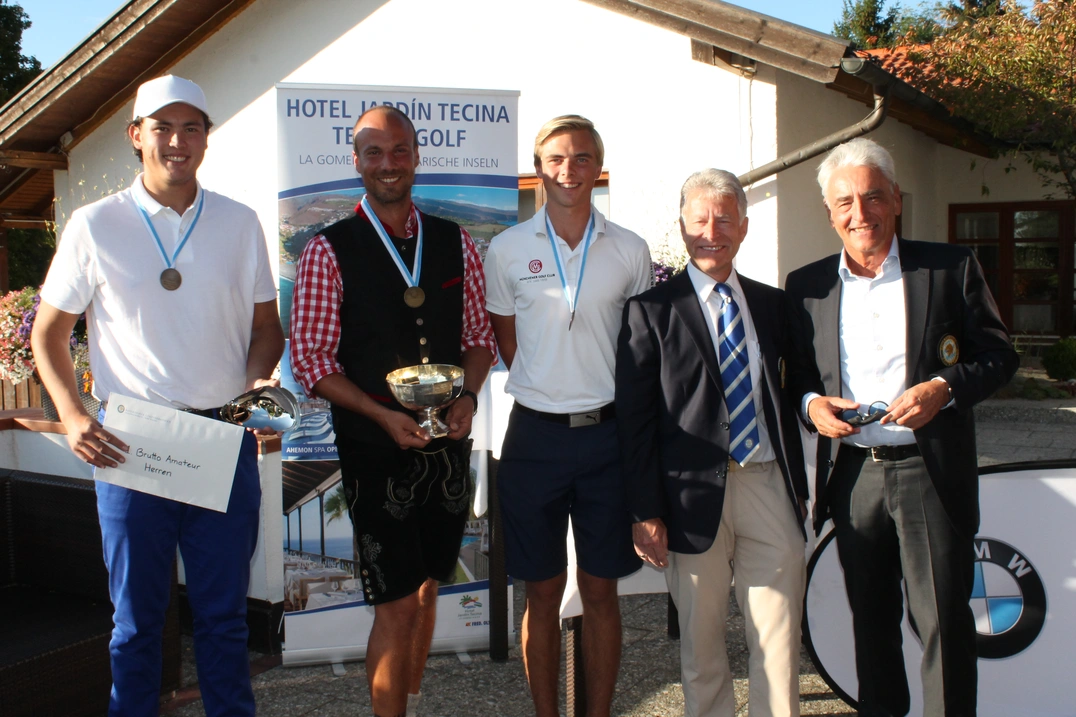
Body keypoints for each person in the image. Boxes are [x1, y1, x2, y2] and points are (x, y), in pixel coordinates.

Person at [30, 75, 284, 717]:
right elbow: (48, 334)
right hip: (131, 444)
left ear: (206, 137)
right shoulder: (95, 225)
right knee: (137, 623)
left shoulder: (239, 221)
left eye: (191, 127)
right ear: (135, 136)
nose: (178, 140)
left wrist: (256, 384)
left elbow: (266, 329)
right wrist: (71, 412)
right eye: (162, 127)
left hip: (220, 442)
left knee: (223, 621)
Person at [785, 137, 1018, 717]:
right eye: (845, 203)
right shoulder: (807, 286)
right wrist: (813, 404)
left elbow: (999, 356)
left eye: (872, 198)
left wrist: (945, 388)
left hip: (928, 474)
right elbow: (795, 378)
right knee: (871, 625)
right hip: (853, 475)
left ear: (896, 201)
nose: (859, 214)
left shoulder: (949, 269)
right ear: (829, 212)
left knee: (943, 623)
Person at [289, 104, 495, 717]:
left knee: (431, 585)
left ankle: (411, 698)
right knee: (396, 602)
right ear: (356, 161)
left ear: (415, 156)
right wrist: (380, 415)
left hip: (448, 446)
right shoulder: (328, 250)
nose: (388, 163)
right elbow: (312, 361)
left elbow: (480, 338)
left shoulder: (457, 241)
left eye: (399, 150)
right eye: (374, 152)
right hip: (376, 447)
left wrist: (468, 395)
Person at [616, 169, 809, 717]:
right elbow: (635, 422)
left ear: (744, 228)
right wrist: (644, 509)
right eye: (699, 218)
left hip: (767, 484)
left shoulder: (774, 306)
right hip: (688, 497)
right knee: (701, 650)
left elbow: (798, 388)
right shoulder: (650, 312)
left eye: (724, 218)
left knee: (777, 641)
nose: (711, 230)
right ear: (681, 227)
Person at [483, 114, 651, 717]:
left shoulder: (630, 249)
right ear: (538, 169)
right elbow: (507, 344)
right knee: (542, 591)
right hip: (535, 438)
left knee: (602, 591)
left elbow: (639, 346)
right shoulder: (505, 250)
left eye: (581, 158)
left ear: (596, 167)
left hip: (607, 438)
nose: (568, 170)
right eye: (556, 159)